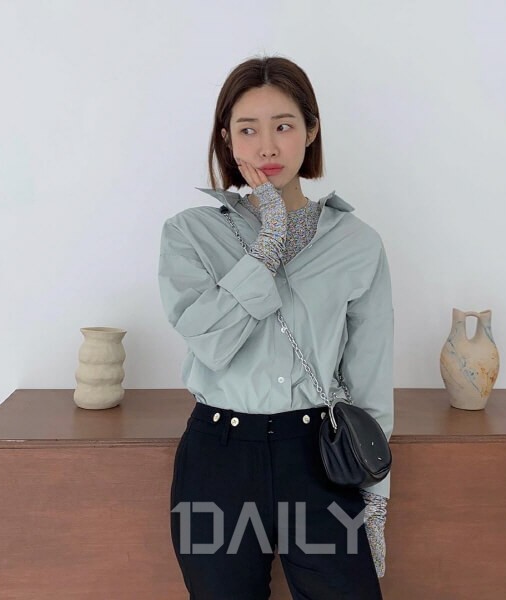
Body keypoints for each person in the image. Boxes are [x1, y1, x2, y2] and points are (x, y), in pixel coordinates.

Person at [158, 55, 394, 600]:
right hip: (218, 462)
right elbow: (212, 343)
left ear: (310, 131)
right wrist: (268, 244)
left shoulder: (358, 243)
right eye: (248, 129)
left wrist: (376, 499)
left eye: (283, 126)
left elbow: (370, 378)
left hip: (320, 460)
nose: (267, 147)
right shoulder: (188, 234)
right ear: (227, 140)